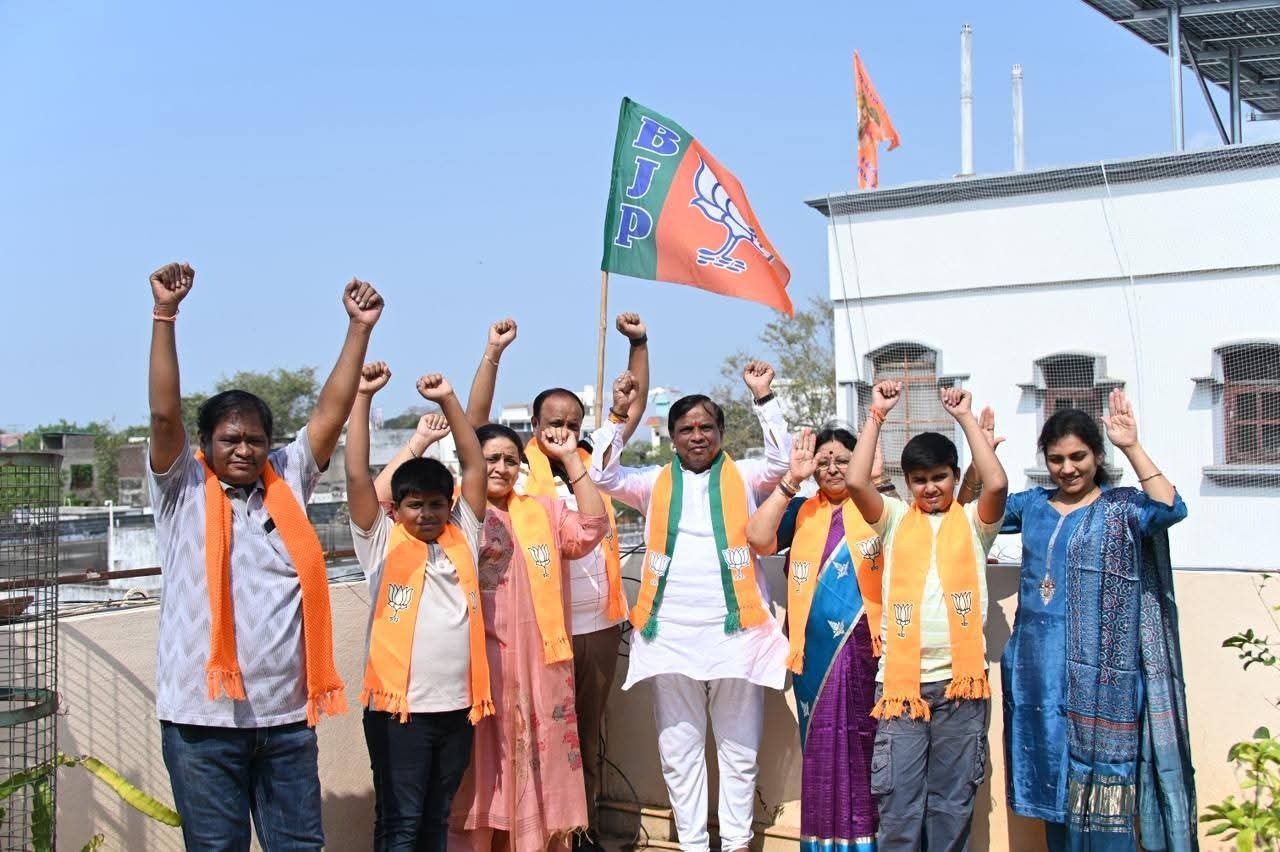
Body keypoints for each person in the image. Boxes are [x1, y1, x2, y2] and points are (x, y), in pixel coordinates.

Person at [146, 261, 383, 850]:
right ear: (206, 445)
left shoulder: (287, 478)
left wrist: (359, 328)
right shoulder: (181, 487)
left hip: (286, 722)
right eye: (230, 439)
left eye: (255, 439)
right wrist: (165, 315)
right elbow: (164, 414)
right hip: (202, 724)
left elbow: (329, 414)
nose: (244, 449)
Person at [375, 407, 609, 852]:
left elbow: (593, 527)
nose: (501, 468)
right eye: (490, 459)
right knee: (480, 772)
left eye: (510, 459)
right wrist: (419, 442)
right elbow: (383, 504)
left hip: (540, 666)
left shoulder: (545, 510)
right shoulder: (454, 515)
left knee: (536, 760)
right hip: (480, 670)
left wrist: (570, 458)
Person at [462, 314, 649, 852]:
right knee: (517, 739)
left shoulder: (591, 460)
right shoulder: (516, 470)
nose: (562, 428)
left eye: (571, 421)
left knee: (580, 738)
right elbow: (473, 429)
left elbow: (634, 406)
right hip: (534, 633)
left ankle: (577, 834)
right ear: (534, 424)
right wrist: (493, 353)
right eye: (552, 421)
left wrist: (638, 343)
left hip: (598, 623)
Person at [590, 361, 792, 852]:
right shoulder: (652, 482)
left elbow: (783, 461)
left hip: (736, 634)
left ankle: (737, 842)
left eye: (706, 428)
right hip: (670, 635)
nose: (697, 436)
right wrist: (617, 414)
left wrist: (763, 397)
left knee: (739, 749)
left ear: (720, 432)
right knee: (679, 751)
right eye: (686, 429)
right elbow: (601, 473)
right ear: (673, 437)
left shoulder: (746, 475)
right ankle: (694, 845)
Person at [996, 391, 1193, 851]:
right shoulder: (1032, 506)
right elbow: (975, 515)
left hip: (1103, 681)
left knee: (1105, 794)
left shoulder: (1122, 508)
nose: (1067, 468)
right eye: (1056, 459)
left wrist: (1132, 445)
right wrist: (979, 445)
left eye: (1078, 457)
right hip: (1037, 674)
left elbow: (1171, 508)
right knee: (1053, 791)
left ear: (1097, 456)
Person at [845, 382, 1008, 852]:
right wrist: (876, 415)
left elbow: (996, 484)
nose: (930, 487)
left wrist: (965, 419)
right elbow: (856, 483)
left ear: (955, 477)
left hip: (960, 689)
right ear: (908, 483)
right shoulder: (895, 519)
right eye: (919, 479)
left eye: (940, 477)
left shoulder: (975, 524)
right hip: (902, 689)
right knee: (899, 807)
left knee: (951, 806)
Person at [347, 363, 490, 851]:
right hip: (398, 713)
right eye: (414, 505)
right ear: (396, 508)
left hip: (457, 708)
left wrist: (449, 399)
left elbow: (475, 467)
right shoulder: (381, 543)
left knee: (436, 819)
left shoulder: (463, 536)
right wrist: (362, 398)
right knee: (401, 823)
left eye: (435, 504)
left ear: (450, 506)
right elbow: (356, 474)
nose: (426, 514)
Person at [746, 427, 897, 852]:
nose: (832, 468)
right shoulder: (802, 511)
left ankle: (868, 844)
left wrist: (877, 479)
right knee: (821, 744)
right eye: (823, 462)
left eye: (843, 460)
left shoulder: (876, 508)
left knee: (866, 745)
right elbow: (757, 538)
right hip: (813, 655)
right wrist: (791, 480)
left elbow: (908, 540)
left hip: (868, 652)